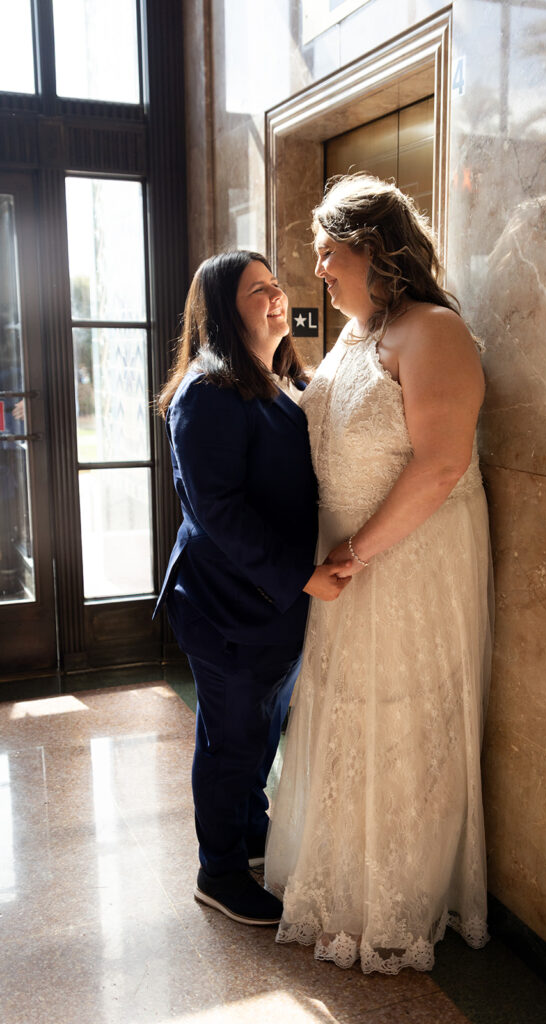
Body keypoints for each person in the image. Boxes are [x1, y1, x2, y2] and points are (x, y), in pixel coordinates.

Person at [265, 175, 493, 973]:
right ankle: (337, 882)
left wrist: (357, 554)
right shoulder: (356, 335)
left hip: (405, 564)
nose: (318, 270)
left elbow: (441, 464)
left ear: (372, 249)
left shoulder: (433, 331)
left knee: (403, 725)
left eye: (328, 252)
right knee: (346, 715)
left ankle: (392, 898)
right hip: (345, 566)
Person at [154, 250, 348, 927]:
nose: (275, 297)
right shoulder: (207, 392)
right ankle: (220, 871)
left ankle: (249, 831)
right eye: (256, 291)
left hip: (273, 604)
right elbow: (220, 512)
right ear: (222, 311)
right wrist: (301, 576)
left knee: (260, 728)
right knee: (229, 741)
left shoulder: (281, 379)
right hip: (227, 605)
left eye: (274, 285)